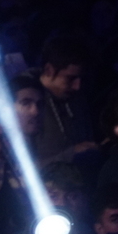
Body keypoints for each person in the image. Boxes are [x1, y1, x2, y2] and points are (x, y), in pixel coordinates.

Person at [35, 37, 97, 166]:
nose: (77, 86)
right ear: (49, 70)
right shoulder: (24, 101)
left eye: (81, 78)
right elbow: (22, 167)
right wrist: (70, 154)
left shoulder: (77, 97)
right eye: (70, 78)